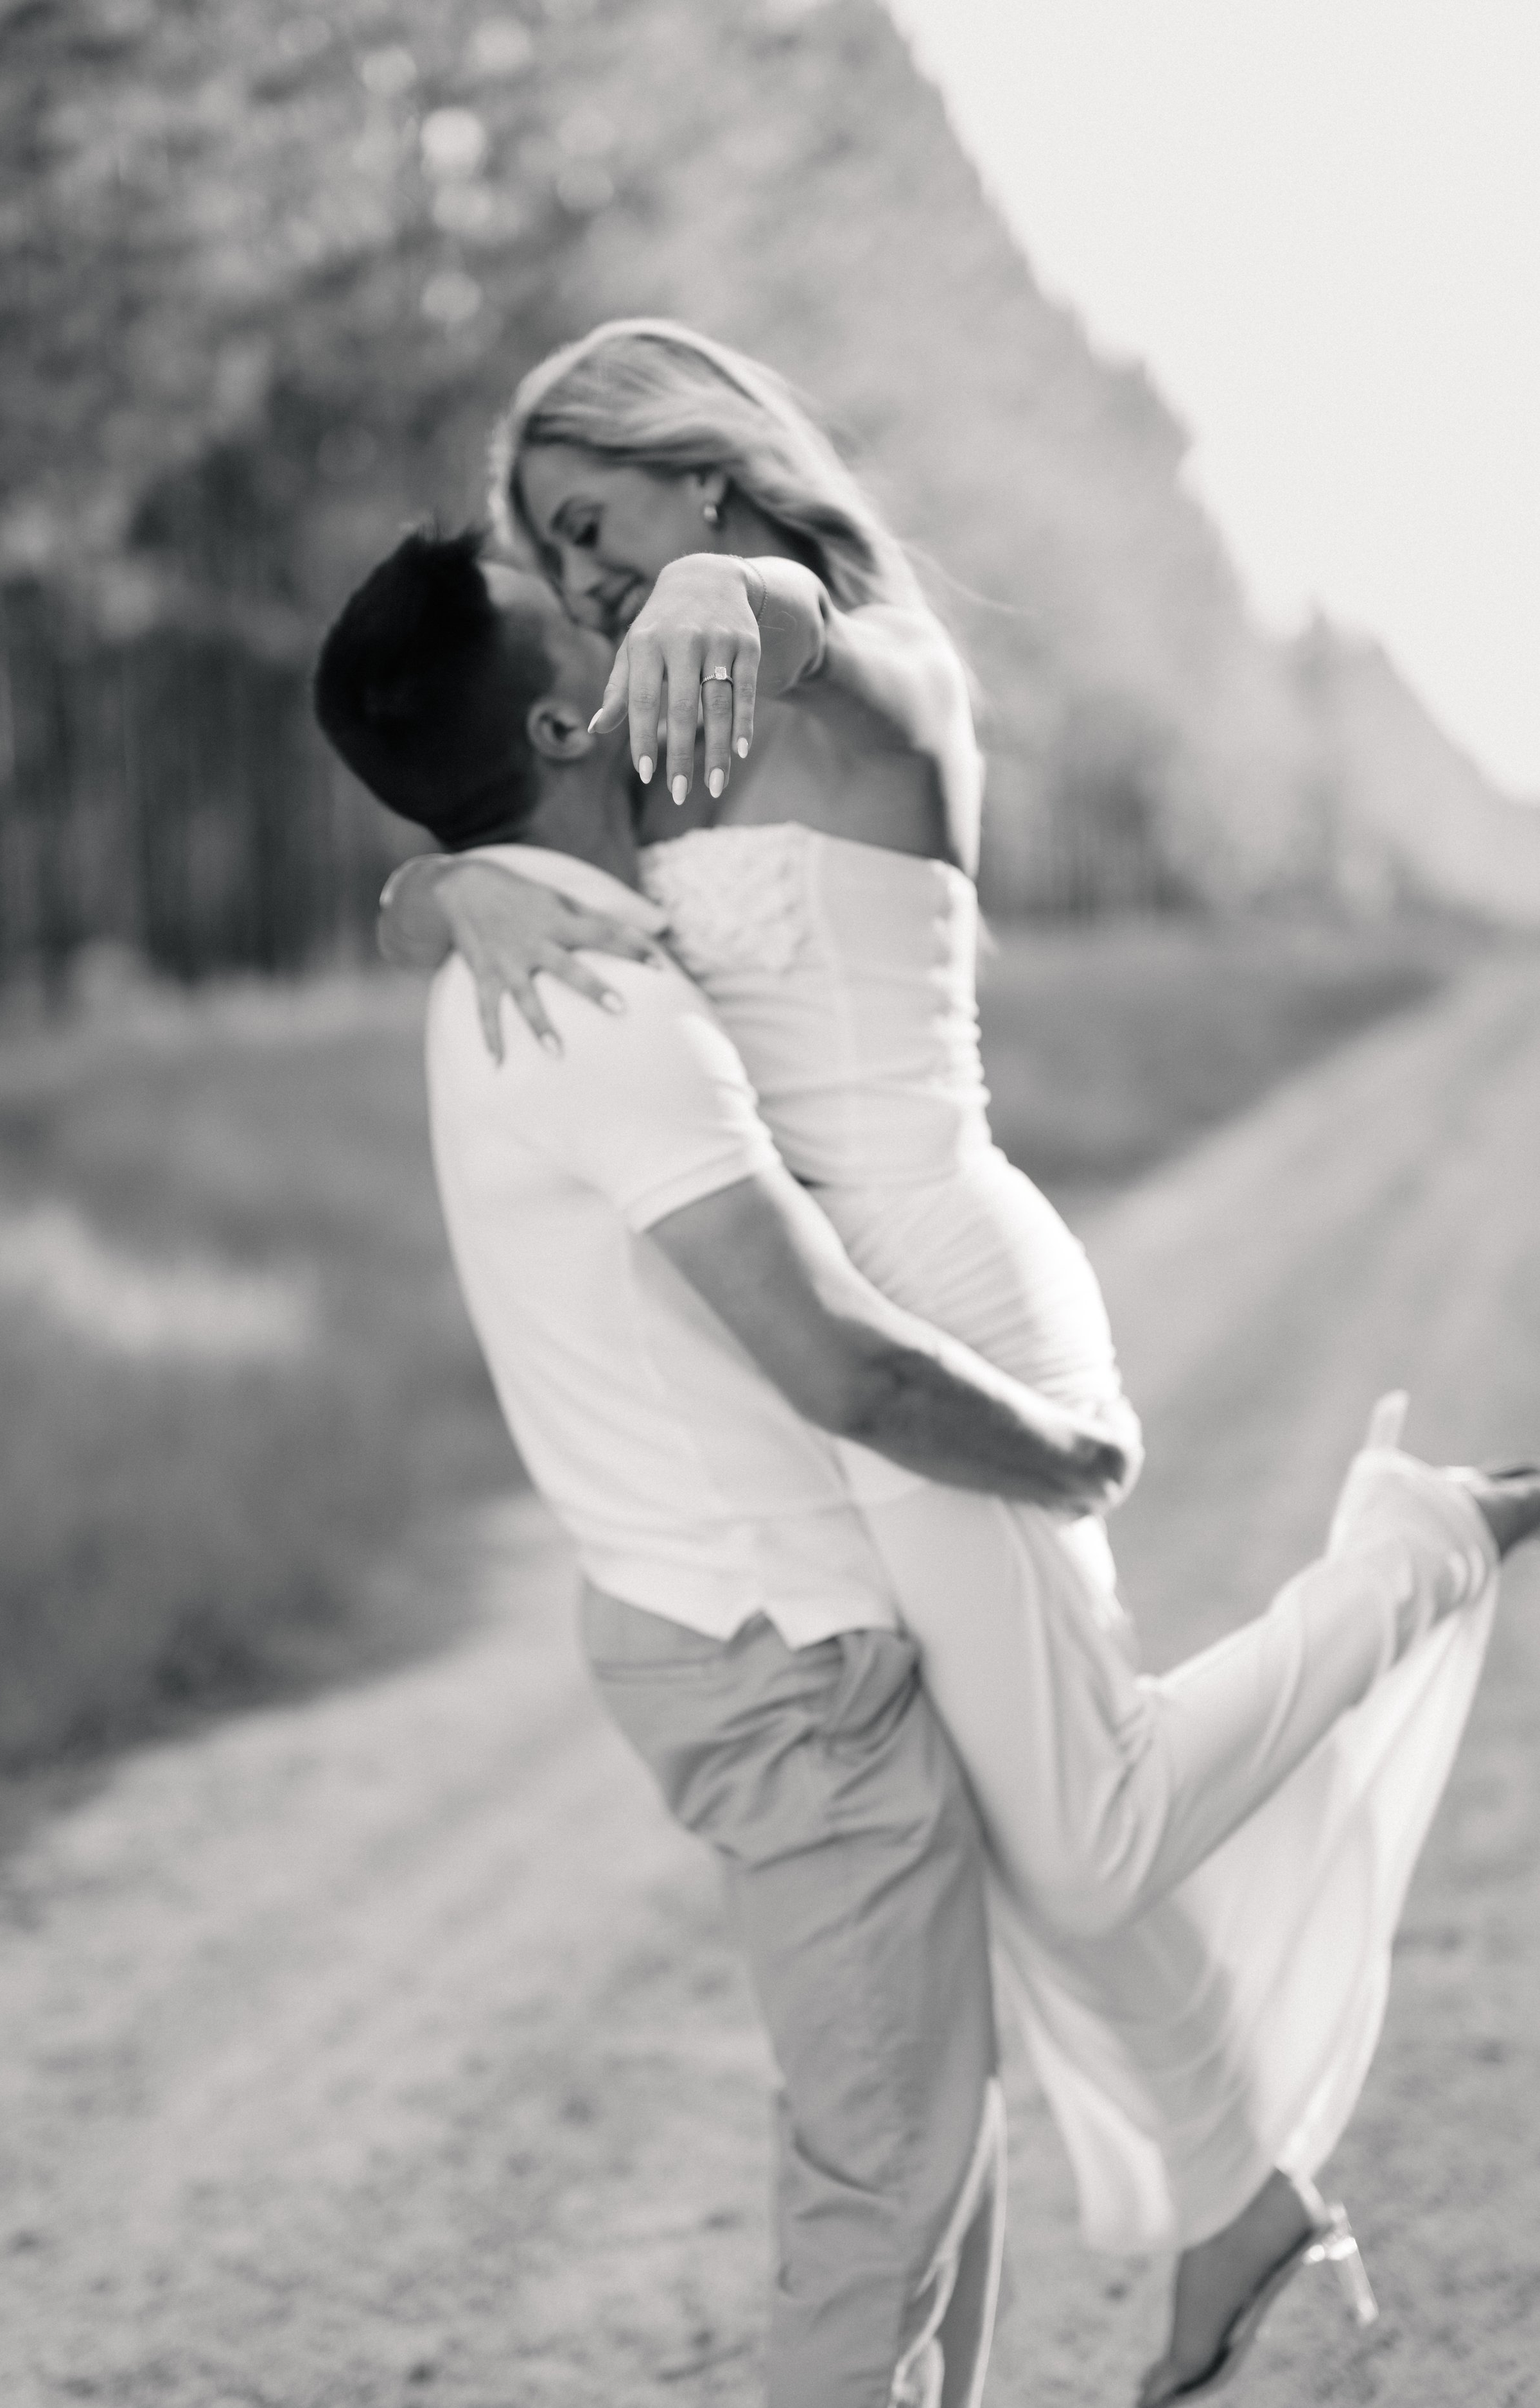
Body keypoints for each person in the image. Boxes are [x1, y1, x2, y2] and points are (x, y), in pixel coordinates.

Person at [358, 322, 1540, 2407]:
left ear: (702, 468)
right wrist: (442, 890)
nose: (591, 567)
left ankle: (1424, 1539)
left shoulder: (861, 668)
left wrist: (750, 592)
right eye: (549, 547)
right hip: (846, 1313)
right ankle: (1239, 2204)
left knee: (1075, 1834)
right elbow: (500, 798)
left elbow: (807, 625)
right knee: (1019, 1834)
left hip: (934, 1290)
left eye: (596, 517)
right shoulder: (647, 725)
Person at [313, 528, 1164, 2408]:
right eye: (590, 626)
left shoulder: (538, 945)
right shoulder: (596, 1009)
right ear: (561, 714)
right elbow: (830, 1356)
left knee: (930, 2147)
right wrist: (1067, 1453)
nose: (625, 629)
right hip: (780, 1657)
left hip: (743, 1628)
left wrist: (437, 885)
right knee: (883, 2178)